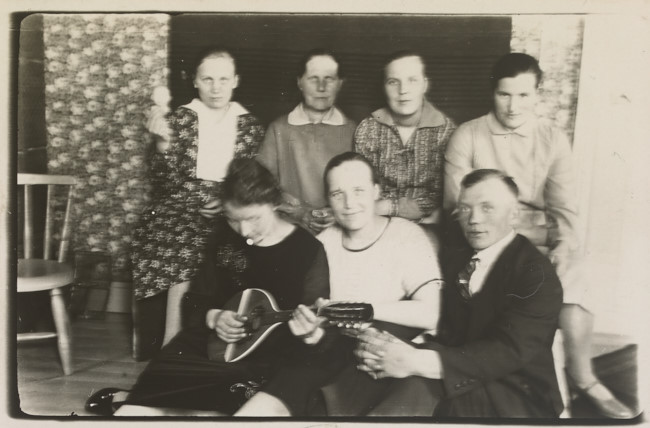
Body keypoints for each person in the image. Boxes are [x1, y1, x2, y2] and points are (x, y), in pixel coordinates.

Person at [443, 53, 635, 418]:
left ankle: (582, 375)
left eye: (524, 96)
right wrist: (528, 234)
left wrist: (563, 245)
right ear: (492, 92)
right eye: (504, 95)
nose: (513, 106)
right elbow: (458, 210)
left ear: (538, 94)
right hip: (486, 236)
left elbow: (565, 210)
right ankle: (531, 381)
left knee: (575, 270)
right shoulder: (468, 135)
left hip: (536, 239)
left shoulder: (552, 138)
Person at [85, 158, 329, 416]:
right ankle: (137, 403)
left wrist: (309, 329)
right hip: (210, 342)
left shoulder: (308, 249)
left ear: (274, 203)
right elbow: (197, 298)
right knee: (141, 402)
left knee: (231, 398)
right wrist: (215, 317)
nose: (244, 230)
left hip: (266, 355)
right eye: (233, 219)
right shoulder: (224, 234)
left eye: (253, 218)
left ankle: (153, 404)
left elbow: (313, 318)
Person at [234, 151, 443, 417]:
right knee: (255, 411)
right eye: (337, 194)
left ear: (376, 191)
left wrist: (360, 310)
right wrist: (311, 333)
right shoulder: (322, 242)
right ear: (328, 199)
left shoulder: (407, 234)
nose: (349, 203)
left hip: (389, 355)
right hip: (331, 355)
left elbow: (430, 313)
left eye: (358, 190)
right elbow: (317, 323)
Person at [354, 169, 565, 417]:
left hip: (514, 393)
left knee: (413, 390)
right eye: (465, 208)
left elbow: (505, 352)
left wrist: (415, 361)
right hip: (458, 369)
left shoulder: (536, 275)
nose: (474, 219)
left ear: (514, 214)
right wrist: (378, 340)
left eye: (487, 208)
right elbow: (431, 312)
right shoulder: (456, 256)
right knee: (366, 368)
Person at [130, 46, 265, 360]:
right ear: (195, 81)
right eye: (207, 79)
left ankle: (198, 342)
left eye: (223, 79)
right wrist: (162, 144)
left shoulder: (249, 125)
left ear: (235, 81)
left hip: (229, 205)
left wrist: (225, 200)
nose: (216, 88)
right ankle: (170, 343)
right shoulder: (179, 119)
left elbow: (248, 178)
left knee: (223, 241)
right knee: (182, 242)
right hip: (178, 204)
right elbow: (163, 182)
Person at [353, 51, 456, 242]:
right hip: (375, 225)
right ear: (384, 87)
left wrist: (390, 207)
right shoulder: (368, 128)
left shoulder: (446, 132)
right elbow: (363, 189)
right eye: (393, 82)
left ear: (425, 84)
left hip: (428, 227)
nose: (403, 90)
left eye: (412, 80)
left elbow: (439, 198)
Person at [258, 48, 356, 234]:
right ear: (300, 82)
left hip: (341, 229)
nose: (321, 87)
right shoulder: (279, 129)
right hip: (290, 229)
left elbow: (362, 187)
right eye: (313, 79)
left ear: (340, 83)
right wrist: (298, 212)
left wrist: (338, 212)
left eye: (329, 79)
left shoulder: (354, 130)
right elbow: (261, 185)